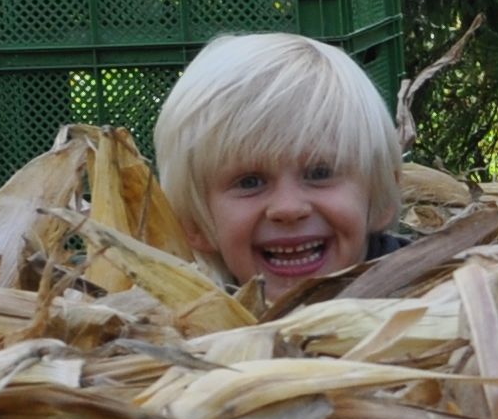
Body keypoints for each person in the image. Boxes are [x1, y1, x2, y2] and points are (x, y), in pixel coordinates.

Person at [154, 34, 405, 287]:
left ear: (382, 195)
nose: (288, 209)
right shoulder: (186, 308)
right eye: (250, 182)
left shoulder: (423, 299)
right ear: (194, 223)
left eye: (319, 173)